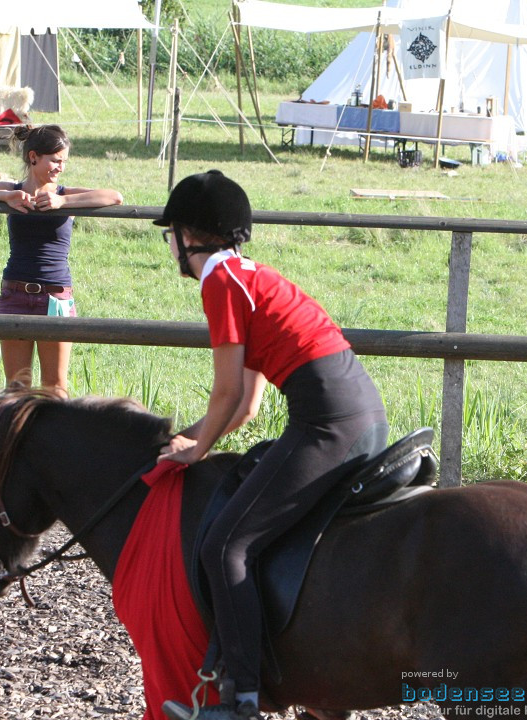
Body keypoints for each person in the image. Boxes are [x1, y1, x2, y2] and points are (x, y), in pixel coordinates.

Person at [156, 170, 388, 720]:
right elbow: (248, 408)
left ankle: (241, 698)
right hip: (358, 410)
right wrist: (195, 435)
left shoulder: (219, 281)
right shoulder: (250, 276)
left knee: (224, 546)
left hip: (329, 422)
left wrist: (195, 450)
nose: (169, 244)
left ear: (190, 234)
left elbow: (228, 390)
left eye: (171, 233)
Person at [0, 125, 123, 396]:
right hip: (14, 295)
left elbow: (115, 196)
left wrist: (61, 203)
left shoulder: (65, 194)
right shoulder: (14, 189)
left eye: (64, 161)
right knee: (17, 388)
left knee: (55, 388)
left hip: (55, 297)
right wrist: (6, 196)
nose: (60, 168)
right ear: (33, 157)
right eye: (55, 160)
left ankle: (53, 439)